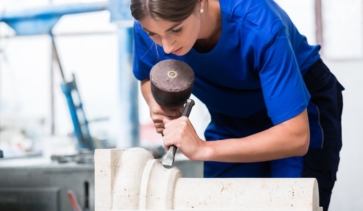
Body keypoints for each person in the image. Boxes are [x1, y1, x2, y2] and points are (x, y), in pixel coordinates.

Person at [130, 0, 343, 210]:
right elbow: (148, 75)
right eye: (154, 35)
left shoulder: (260, 25)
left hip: (299, 111)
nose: (166, 46)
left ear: (200, 3)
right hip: (231, 116)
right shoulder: (149, 21)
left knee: (291, 200)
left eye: (176, 30)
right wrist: (157, 104)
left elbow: (296, 137)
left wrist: (203, 148)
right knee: (224, 201)